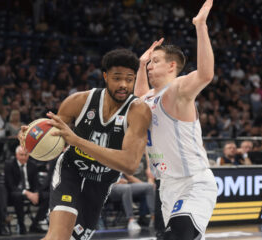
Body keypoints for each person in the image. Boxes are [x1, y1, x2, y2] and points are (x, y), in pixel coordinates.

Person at [18, 49, 151, 240]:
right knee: (58, 237)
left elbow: (130, 163)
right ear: (105, 76)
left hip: (101, 182)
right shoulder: (78, 101)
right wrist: (30, 136)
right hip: (71, 171)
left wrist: (78, 141)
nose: (123, 85)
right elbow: (54, 134)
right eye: (117, 78)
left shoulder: (138, 111)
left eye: (129, 79)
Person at [134, 1, 217, 239]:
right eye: (150, 62)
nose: (151, 66)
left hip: (194, 182)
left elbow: (205, 74)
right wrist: (141, 65)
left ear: (172, 66)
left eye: (155, 61)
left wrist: (200, 26)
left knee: (178, 235)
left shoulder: (177, 90)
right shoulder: (150, 98)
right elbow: (140, 98)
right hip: (167, 186)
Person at [4, 146, 48, 234]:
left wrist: (36, 193)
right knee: (18, 196)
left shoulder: (33, 165)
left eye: (26, 155)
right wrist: (27, 193)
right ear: (16, 155)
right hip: (15, 193)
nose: (24, 157)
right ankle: (21, 225)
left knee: (47, 196)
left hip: (30, 192)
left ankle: (34, 225)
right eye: (21, 155)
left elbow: (36, 183)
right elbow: (11, 185)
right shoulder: (9, 164)